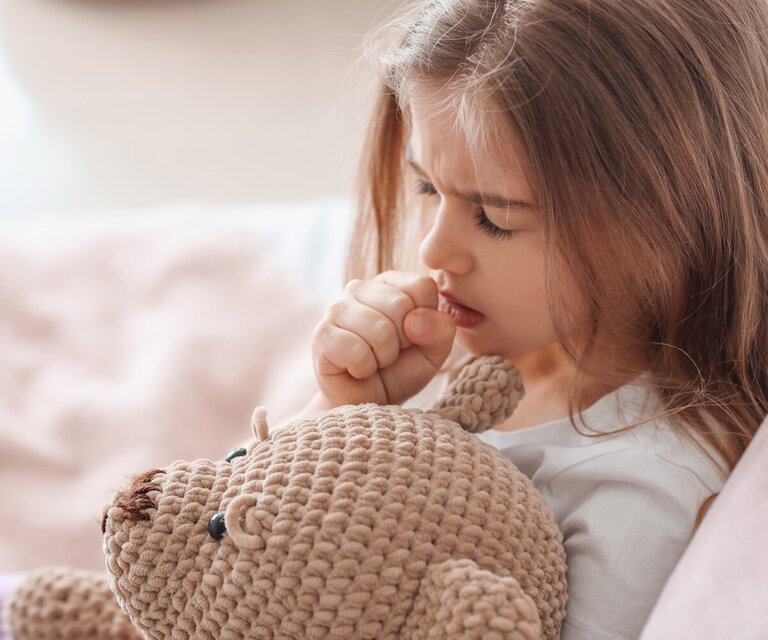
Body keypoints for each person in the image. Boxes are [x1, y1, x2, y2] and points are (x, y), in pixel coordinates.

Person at [301, 0, 768, 637]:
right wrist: (338, 409)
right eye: (428, 188)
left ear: (664, 225)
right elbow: (230, 542)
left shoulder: (641, 484)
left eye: (495, 217)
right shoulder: (452, 347)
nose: (435, 250)